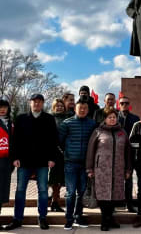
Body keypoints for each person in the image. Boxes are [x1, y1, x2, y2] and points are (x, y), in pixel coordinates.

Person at [6, 94, 57, 230]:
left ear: (43, 103)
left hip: (42, 161)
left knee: (43, 190)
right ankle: (17, 219)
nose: (37, 104)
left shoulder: (49, 119)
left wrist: (52, 158)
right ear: (30, 103)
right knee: (20, 190)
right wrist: (15, 157)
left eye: (40, 102)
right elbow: (15, 140)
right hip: (24, 161)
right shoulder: (21, 118)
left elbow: (53, 140)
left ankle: (42, 218)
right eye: (34, 101)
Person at [86, 108, 132, 231]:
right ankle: (104, 220)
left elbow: (128, 152)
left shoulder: (122, 132)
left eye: (114, 117)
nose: (112, 119)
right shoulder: (98, 131)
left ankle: (110, 218)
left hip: (118, 169)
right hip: (102, 169)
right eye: (109, 117)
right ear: (105, 119)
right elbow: (91, 150)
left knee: (114, 196)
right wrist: (90, 169)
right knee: (103, 196)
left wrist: (128, 169)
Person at [59, 98, 97, 230]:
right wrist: (67, 153)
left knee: (81, 191)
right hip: (70, 163)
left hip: (85, 164)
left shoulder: (92, 124)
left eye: (85, 108)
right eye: (80, 108)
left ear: (88, 110)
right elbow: (59, 142)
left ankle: (78, 216)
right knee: (70, 192)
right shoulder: (67, 123)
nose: (82, 110)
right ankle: (68, 218)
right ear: (75, 108)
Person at [117, 96, 140, 213]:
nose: (124, 105)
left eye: (126, 103)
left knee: (129, 179)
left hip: (131, 153)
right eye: (122, 103)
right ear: (119, 104)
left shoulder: (135, 118)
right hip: (118, 153)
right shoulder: (114, 117)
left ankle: (129, 203)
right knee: (116, 179)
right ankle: (117, 202)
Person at [49, 99, 67, 213]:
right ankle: (52, 201)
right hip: (51, 153)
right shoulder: (49, 119)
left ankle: (54, 200)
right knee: (51, 180)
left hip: (63, 153)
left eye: (61, 106)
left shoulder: (67, 120)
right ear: (53, 107)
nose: (59, 108)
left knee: (59, 180)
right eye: (57, 106)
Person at [0, 100, 13, 229]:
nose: (2, 110)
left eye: (4, 107)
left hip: (6, 162)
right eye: (0, 107)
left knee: (2, 193)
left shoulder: (10, 122)